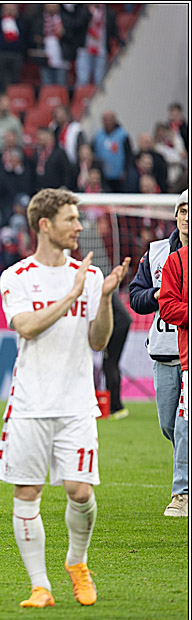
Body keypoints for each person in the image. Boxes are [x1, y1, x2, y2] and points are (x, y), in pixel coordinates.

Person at [0, 187, 130, 608]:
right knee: (27, 493)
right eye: (71, 219)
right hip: (30, 403)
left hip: (75, 403)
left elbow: (99, 340)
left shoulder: (89, 277)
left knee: (79, 491)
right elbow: (27, 327)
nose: (79, 227)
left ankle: (77, 562)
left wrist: (104, 298)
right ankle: (40, 586)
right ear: (45, 225)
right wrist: (69, 297)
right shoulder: (15, 276)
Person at [141, 190, 189, 517]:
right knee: (170, 426)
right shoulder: (164, 256)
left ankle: (181, 493)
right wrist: (156, 294)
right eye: (182, 210)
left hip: (186, 357)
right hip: (166, 351)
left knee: (185, 425)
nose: (186, 216)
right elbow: (140, 298)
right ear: (175, 215)